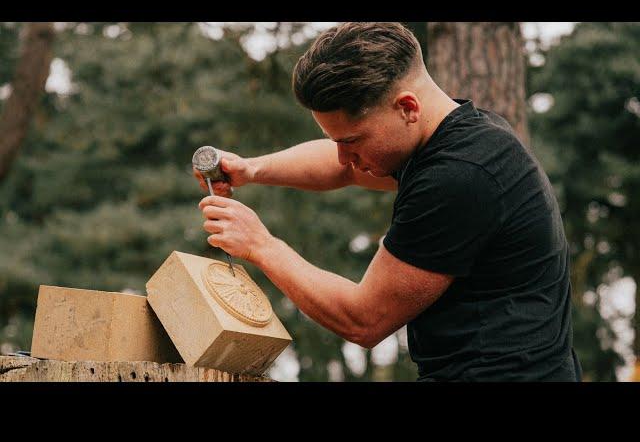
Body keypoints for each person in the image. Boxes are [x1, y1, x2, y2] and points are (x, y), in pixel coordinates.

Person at [194, 22, 582, 381]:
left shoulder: (459, 176)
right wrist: (252, 169)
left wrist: (261, 245)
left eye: (351, 141)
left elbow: (364, 320)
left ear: (408, 107)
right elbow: (342, 168)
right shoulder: (462, 136)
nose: (345, 156)